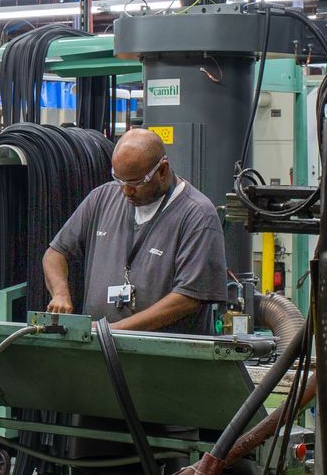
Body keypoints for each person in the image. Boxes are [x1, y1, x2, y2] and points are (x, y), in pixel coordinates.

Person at [41, 127, 227, 333]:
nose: (125, 190)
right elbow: (55, 253)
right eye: (119, 179)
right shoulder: (102, 199)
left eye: (135, 182)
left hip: (166, 357)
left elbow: (188, 298)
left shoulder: (197, 215)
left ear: (162, 170)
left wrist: (113, 330)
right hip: (99, 351)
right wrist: (60, 294)